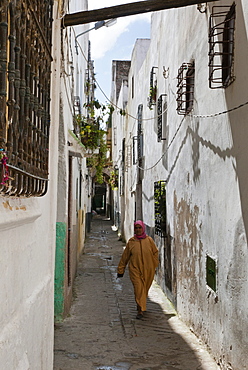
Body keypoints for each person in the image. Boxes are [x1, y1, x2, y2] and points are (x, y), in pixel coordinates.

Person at [117, 220, 159, 319]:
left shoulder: (149, 240)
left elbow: (155, 253)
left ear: (143, 228)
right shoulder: (131, 242)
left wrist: (154, 265)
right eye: (136, 228)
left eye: (140, 228)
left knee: (145, 288)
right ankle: (140, 310)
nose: (138, 229)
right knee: (138, 288)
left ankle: (140, 305)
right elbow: (125, 257)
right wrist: (120, 270)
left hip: (148, 270)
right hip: (135, 269)